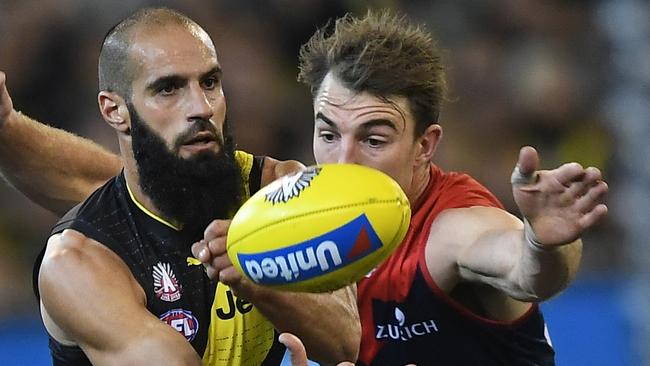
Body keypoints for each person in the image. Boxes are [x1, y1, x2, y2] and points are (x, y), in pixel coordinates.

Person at [0, 8, 608, 366]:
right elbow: (127, 193)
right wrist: (7, 129)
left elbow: (522, 268)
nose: (342, 160)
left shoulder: (447, 226)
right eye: (326, 133)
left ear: (425, 146)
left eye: (374, 138)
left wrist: (544, 242)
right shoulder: (299, 199)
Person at [0, 8, 360, 366]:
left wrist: (258, 275)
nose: (201, 107)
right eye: (168, 88)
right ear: (114, 111)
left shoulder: (278, 190)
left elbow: (345, 343)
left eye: (210, 83)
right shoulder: (77, 263)